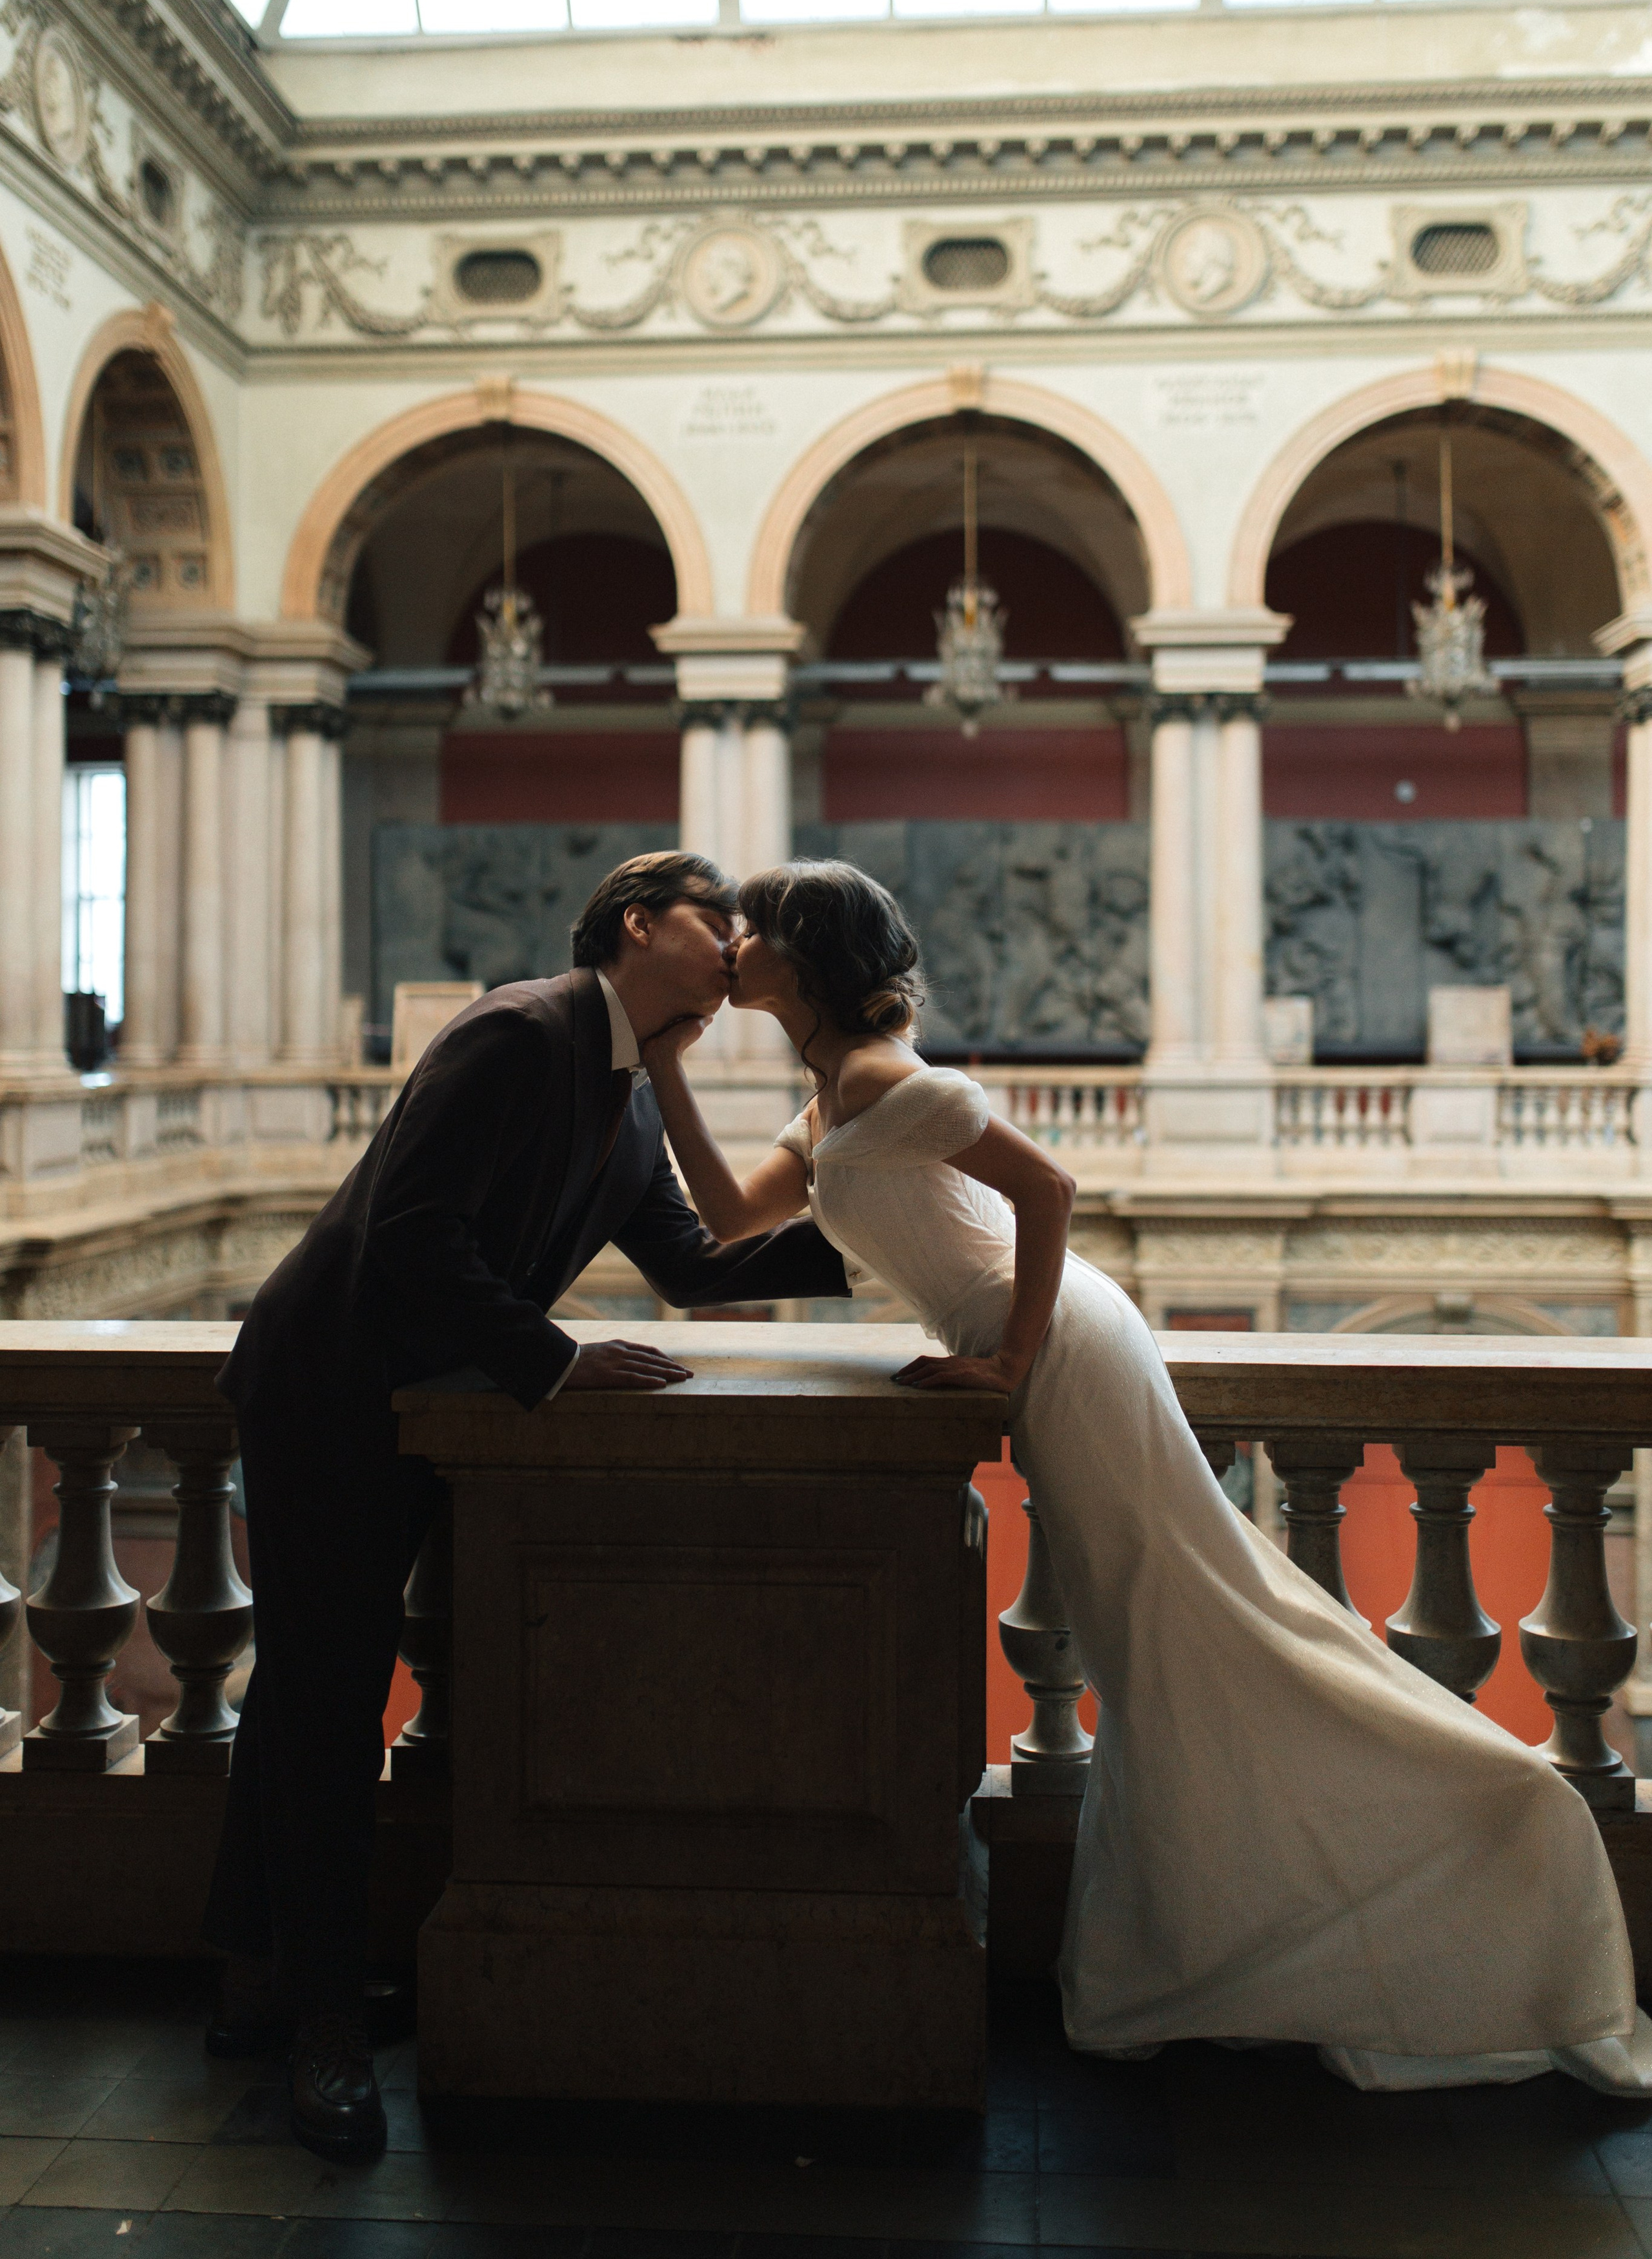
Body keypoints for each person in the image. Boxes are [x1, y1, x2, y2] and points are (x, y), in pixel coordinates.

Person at [643, 856, 1652, 2098]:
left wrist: (1007, 1357)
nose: (733, 946)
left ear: (807, 957)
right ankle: (1210, 1949)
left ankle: (1496, 1819)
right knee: (1160, 1641)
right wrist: (667, 1060)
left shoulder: (886, 1079)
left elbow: (1049, 1189)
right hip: (1041, 1346)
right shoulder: (830, 1096)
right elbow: (727, 1216)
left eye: (755, 930)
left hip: (1066, 1348)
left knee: (1193, 1625)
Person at [205, 851, 851, 2160]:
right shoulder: (517, 1028)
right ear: (633, 922)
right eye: (711, 918)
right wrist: (552, 1360)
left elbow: (687, 1263)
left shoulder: (628, 1092)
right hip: (328, 1385)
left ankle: (253, 1977)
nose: (735, 944)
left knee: (299, 1689)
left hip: (397, 1391)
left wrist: (897, 1233)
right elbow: (412, 1234)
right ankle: (325, 2028)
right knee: (329, 1701)